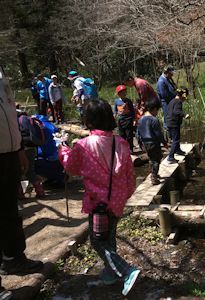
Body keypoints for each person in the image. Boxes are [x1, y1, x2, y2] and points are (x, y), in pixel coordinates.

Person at [58, 100, 139, 296]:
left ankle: (127, 270)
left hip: (98, 203)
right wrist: (126, 193)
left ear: (89, 120)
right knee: (108, 237)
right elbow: (129, 173)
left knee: (97, 241)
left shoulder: (84, 145)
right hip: (118, 199)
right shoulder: (121, 142)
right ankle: (111, 272)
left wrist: (63, 150)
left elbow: (72, 168)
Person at [0, 66, 43, 299]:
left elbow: (7, 113)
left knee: (10, 211)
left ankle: (14, 260)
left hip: (8, 154)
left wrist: (18, 148)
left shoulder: (1, 74)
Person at [137, 98, 167, 185]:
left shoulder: (141, 119)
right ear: (154, 109)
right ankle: (154, 177)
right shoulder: (154, 120)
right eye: (157, 110)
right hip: (153, 143)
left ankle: (153, 174)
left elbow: (138, 133)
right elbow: (158, 134)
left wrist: (140, 143)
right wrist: (164, 143)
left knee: (151, 158)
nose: (157, 113)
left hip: (145, 143)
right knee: (157, 159)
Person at [34, 114, 65, 187]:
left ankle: (58, 177)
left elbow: (46, 150)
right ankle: (55, 177)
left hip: (52, 159)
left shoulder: (41, 128)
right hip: (61, 158)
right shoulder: (51, 126)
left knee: (33, 164)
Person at [165, 87, 190, 164]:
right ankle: (171, 157)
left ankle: (178, 150)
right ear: (183, 95)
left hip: (169, 122)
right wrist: (185, 115)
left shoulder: (172, 101)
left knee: (176, 138)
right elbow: (177, 111)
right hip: (174, 123)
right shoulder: (178, 102)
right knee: (175, 140)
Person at [114, 85, 135, 153]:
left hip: (128, 119)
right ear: (119, 94)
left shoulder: (128, 101)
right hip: (120, 120)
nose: (124, 94)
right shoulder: (116, 101)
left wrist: (134, 119)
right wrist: (115, 115)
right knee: (122, 135)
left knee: (129, 135)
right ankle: (123, 148)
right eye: (122, 92)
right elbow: (115, 110)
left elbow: (132, 110)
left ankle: (130, 148)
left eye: (124, 92)